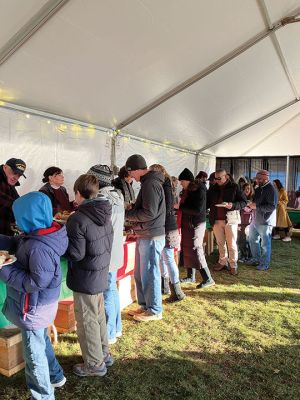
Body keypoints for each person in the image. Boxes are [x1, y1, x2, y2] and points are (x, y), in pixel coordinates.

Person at [0, 192, 68, 399]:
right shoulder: (37, 234)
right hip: (36, 307)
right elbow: (17, 242)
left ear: (28, 218)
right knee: (41, 342)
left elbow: (36, 282)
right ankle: (56, 377)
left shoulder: (39, 247)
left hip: (33, 308)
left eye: (18, 218)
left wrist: (4, 269)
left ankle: (43, 396)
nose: (16, 222)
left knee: (34, 356)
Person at [65, 174, 114, 377]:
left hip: (86, 276)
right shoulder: (105, 212)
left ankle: (94, 364)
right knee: (98, 316)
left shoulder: (78, 218)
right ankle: (103, 354)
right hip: (100, 272)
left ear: (78, 192)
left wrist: (59, 248)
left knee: (87, 321)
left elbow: (76, 253)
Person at [125, 154, 166, 322]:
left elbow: (150, 212)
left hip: (151, 235)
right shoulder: (148, 183)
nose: (131, 177)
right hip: (146, 233)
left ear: (136, 170)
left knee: (149, 273)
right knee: (141, 273)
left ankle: (154, 309)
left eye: (131, 173)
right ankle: (145, 306)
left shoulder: (150, 184)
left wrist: (128, 215)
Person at [87, 164, 125, 344]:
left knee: (108, 291)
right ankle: (116, 328)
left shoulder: (102, 198)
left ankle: (109, 332)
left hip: (106, 251)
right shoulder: (117, 194)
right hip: (115, 249)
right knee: (112, 290)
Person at [149, 164, 185, 302]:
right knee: (164, 258)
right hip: (167, 226)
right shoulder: (166, 185)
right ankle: (166, 287)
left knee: (168, 258)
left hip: (167, 227)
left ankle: (177, 292)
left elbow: (164, 209)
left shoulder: (165, 186)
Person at [178, 168, 215, 288]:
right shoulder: (187, 190)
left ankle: (208, 278)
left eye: (182, 181)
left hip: (196, 223)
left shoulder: (200, 189)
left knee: (196, 248)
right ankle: (190, 276)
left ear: (188, 180)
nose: (180, 183)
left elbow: (198, 209)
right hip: (188, 223)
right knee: (187, 248)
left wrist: (179, 207)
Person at [207, 169, 247, 275]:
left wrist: (232, 205)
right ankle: (222, 262)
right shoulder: (213, 188)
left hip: (231, 219)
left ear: (226, 177)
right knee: (220, 243)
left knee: (231, 244)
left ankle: (233, 265)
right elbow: (207, 202)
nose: (217, 180)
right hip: (216, 219)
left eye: (219, 178)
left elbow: (244, 202)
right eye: (215, 178)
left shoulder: (234, 187)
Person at [248, 170, 278, 271]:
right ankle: (255, 259)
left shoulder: (271, 189)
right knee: (252, 240)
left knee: (265, 244)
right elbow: (256, 203)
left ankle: (265, 264)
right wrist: (251, 204)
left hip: (266, 221)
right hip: (255, 219)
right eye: (256, 178)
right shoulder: (259, 188)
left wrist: (256, 206)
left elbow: (272, 207)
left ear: (266, 178)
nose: (257, 180)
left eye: (259, 179)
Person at [0, 158, 26, 235]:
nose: (16, 177)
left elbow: (18, 201)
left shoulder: (9, 183)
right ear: (5, 167)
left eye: (19, 175)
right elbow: (10, 202)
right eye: (14, 172)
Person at [238, 183, 254, 262]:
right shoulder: (239, 199)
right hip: (241, 223)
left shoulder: (254, 199)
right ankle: (243, 256)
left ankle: (250, 256)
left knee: (251, 241)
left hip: (251, 223)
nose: (247, 190)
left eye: (249, 188)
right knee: (241, 240)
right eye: (245, 188)